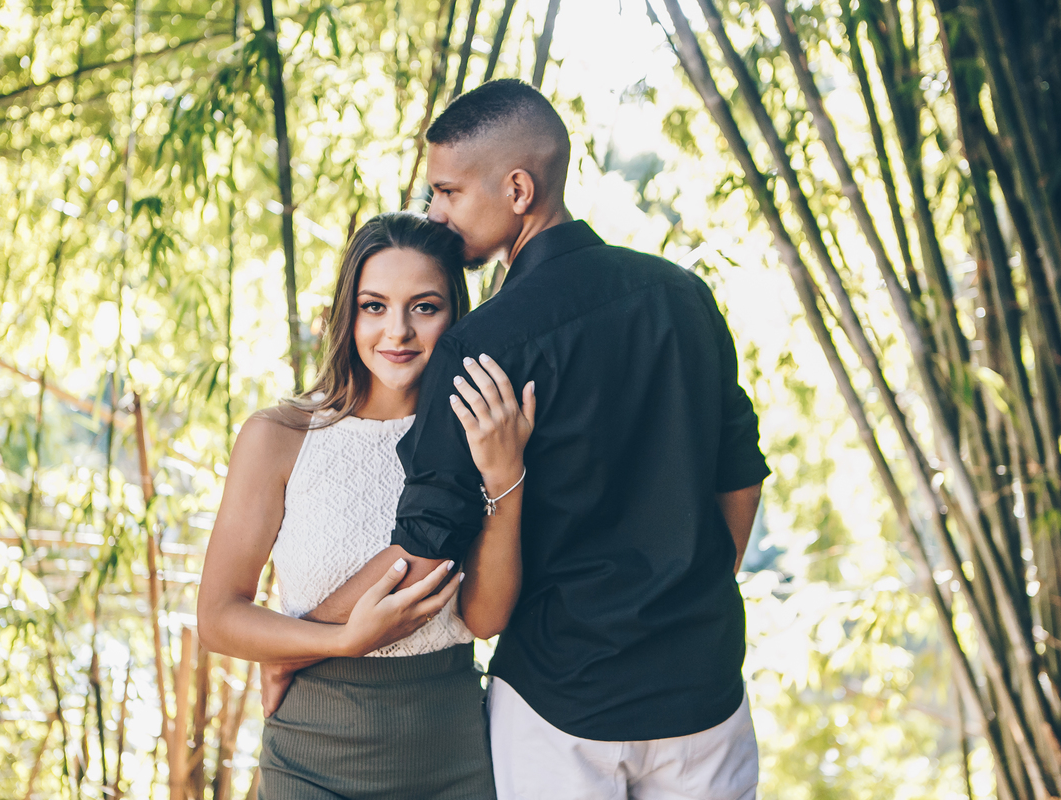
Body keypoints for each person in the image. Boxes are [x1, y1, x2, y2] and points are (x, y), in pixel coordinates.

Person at [293, 80, 770, 800]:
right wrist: (689, 592)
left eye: (448, 191)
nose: (436, 213)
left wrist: (300, 639)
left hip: (559, 703)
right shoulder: (684, 299)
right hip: (702, 693)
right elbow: (740, 478)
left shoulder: (483, 346)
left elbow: (423, 553)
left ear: (518, 188)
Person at [196, 211, 534, 800]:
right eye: (374, 306)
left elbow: (484, 619)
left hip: (451, 756)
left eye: (424, 307)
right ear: (346, 314)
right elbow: (218, 617)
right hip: (308, 761)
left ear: (457, 316)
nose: (397, 332)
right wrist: (339, 640)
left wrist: (507, 477)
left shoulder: (479, 431)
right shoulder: (280, 435)